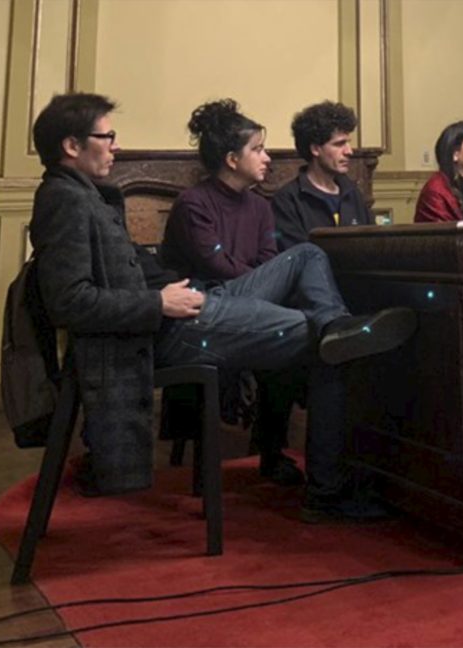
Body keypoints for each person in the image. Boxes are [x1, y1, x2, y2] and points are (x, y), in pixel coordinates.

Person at [29, 93, 416, 522]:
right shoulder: (64, 199)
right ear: (71, 145)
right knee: (326, 343)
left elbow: (138, 269)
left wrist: (168, 287)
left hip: (194, 302)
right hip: (170, 328)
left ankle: (335, 327)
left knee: (308, 260)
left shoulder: (87, 196)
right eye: (108, 136)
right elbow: (67, 302)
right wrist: (157, 301)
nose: (115, 146)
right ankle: (328, 493)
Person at [160, 99, 299, 488]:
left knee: (288, 338)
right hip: (204, 310)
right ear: (232, 159)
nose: (267, 158)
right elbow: (216, 266)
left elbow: (268, 260)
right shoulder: (194, 204)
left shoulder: (260, 206)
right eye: (257, 149)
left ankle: (270, 451)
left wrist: (261, 288)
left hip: (247, 302)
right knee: (296, 294)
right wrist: (262, 287)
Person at [271, 101, 373, 249]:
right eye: (339, 144)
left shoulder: (352, 192)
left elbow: (373, 244)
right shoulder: (288, 200)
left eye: (348, 143)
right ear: (315, 149)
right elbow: (298, 258)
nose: (349, 151)